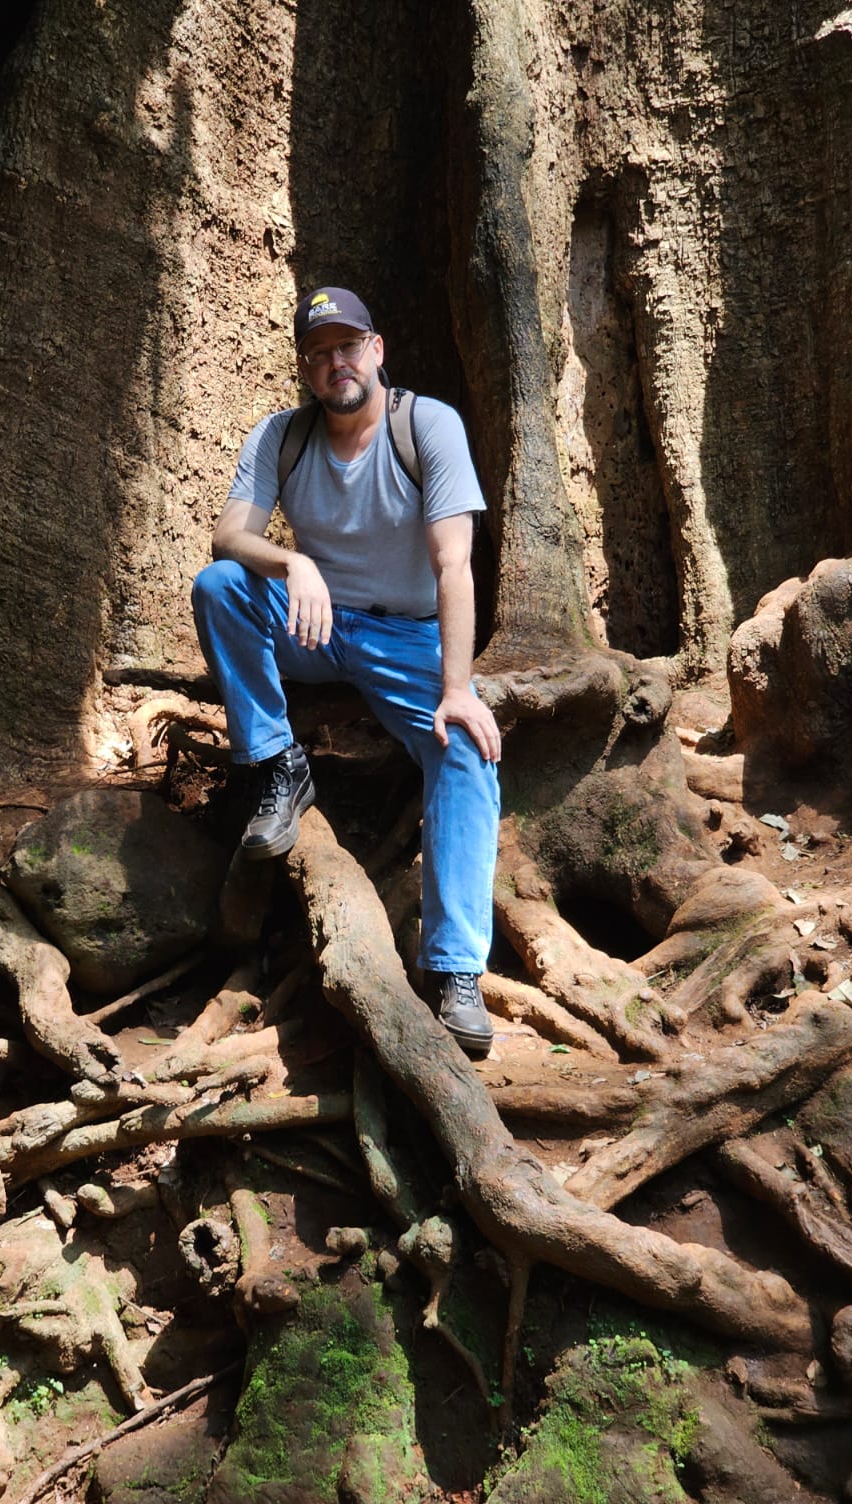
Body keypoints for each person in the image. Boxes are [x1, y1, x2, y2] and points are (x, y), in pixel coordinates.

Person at [191, 286, 501, 1056]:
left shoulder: (426, 426)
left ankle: (456, 970)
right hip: (317, 626)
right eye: (321, 352)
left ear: (378, 350)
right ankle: (274, 766)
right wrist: (293, 559)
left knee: (465, 750)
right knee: (221, 588)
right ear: (304, 366)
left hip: (408, 638)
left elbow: (454, 564)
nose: (337, 363)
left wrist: (458, 689)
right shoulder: (282, 437)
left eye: (349, 346)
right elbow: (229, 536)